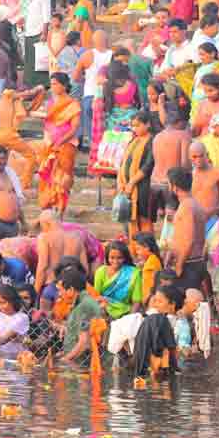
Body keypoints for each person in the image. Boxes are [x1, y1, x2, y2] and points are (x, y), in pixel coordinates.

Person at [36, 73, 81, 213]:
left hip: (66, 146)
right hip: (49, 146)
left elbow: (74, 128)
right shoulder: (50, 104)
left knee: (63, 179)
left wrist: (61, 141)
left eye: (55, 84)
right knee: (47, 176)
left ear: (64, 85)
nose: (53, 87)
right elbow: (47, 124)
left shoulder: (73, 104)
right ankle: (47, 207)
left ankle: (60, 210)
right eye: (52, 84)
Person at [117, 111, 156, 238]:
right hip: (128, 186)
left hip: (143, 186)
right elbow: (123, 162)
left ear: (148, 124)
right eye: (133, 126)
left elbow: (148, 165)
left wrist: (132, 183)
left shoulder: (152, 141)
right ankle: (134, 249)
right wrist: (121, 182)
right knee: (130, 219)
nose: (134, 128)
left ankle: (148, 249)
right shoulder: (133, 140)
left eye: (138, 125)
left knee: (144, 218)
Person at [92, 240, 141, 320]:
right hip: (103, 311)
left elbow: (136, 301)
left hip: (125, 312)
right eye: (112, 258)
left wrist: (129, 320)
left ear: (125, 258)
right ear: (107, 258)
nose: (115, 261)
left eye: (119, 258)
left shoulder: (134, 273)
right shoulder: (100, 272)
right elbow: (96, 296)